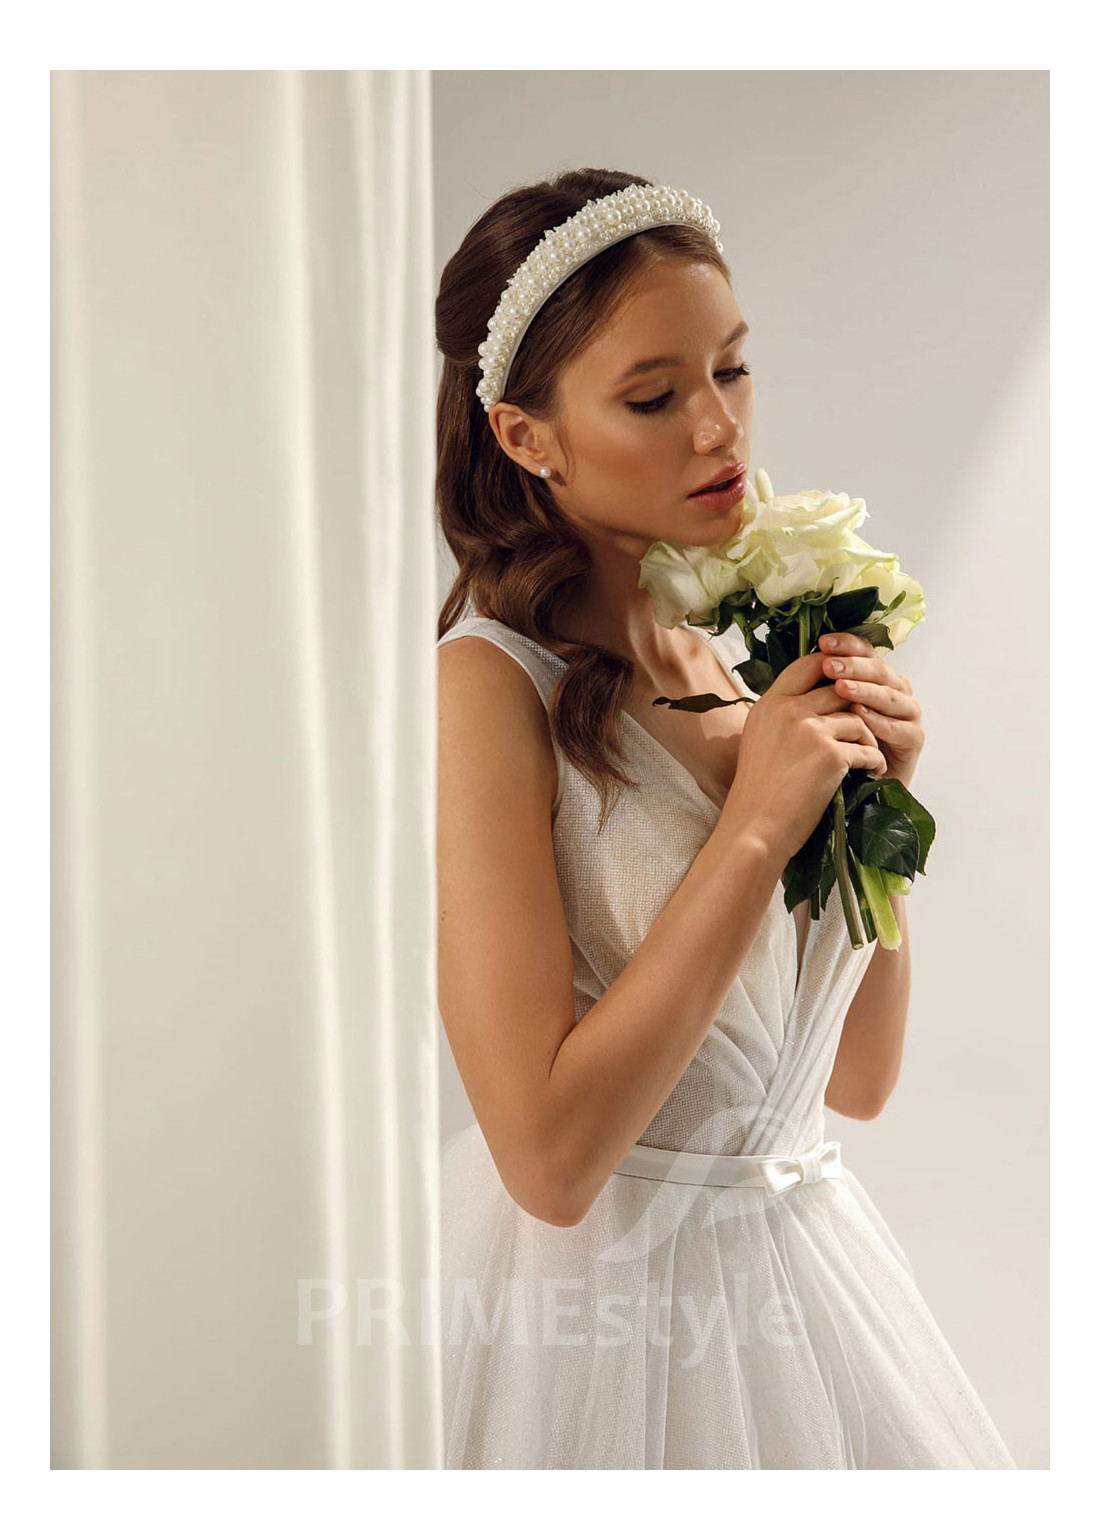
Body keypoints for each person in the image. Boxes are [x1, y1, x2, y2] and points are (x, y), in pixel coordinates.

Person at [434, 167, 1016, 1470]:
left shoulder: (739, 666)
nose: (718, 428)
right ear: (526, 437)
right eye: (652, 397)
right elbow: (548, 1163)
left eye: (733, 369)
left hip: (808, 1282)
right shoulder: (487, 688)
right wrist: (755, 829)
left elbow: (852, 1082)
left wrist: (874, 803)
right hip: (602, 1321)